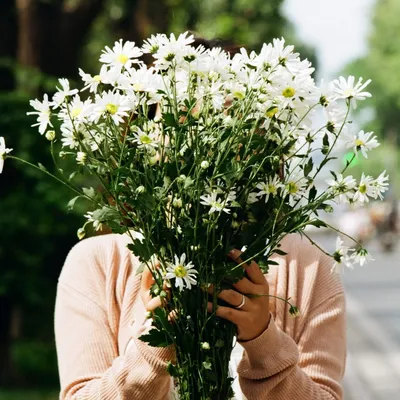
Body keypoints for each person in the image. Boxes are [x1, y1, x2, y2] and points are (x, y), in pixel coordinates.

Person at [54, 39, 346, 400]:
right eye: (178, 119)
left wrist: (262, 338)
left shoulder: (310, 269)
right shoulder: (96, 264)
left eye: (224, 118)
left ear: (262, 138)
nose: (200, 140)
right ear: (141, 139)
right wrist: (155, 344)